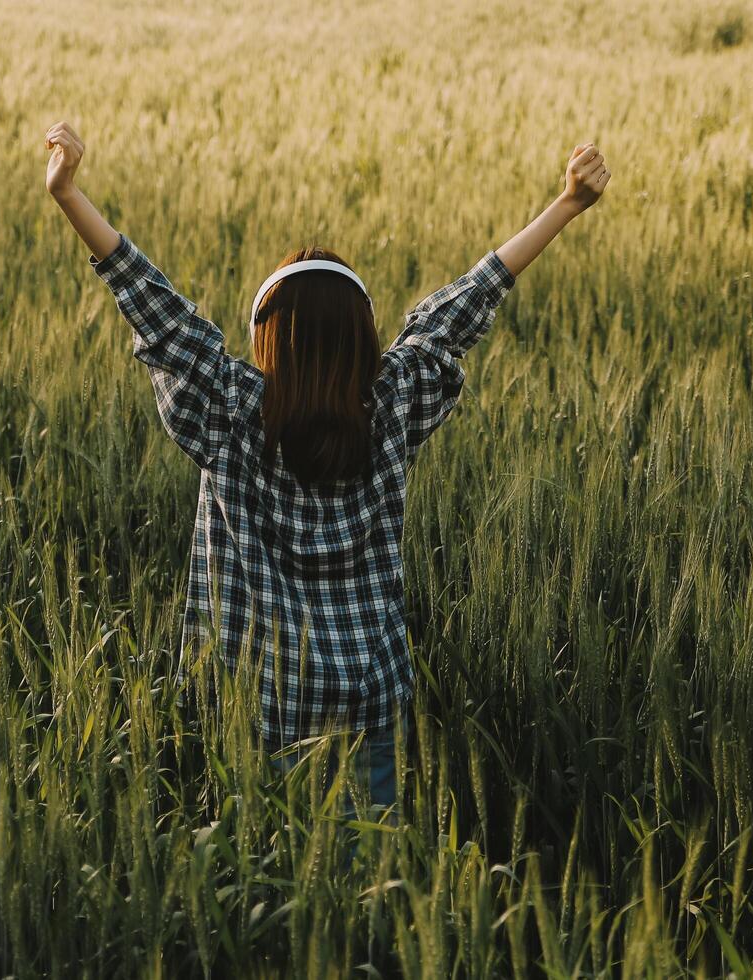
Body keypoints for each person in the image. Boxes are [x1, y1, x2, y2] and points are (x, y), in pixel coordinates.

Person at [45, 119, 609, 831]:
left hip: (254, 705)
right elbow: (464, 308)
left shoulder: (229, 411)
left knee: (264, 872)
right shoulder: (393, 407)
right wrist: (564, 205)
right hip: (369, 701)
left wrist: (69, 194)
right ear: (363, 338)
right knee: (370, 870)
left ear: (265, 341)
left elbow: (158, 312)